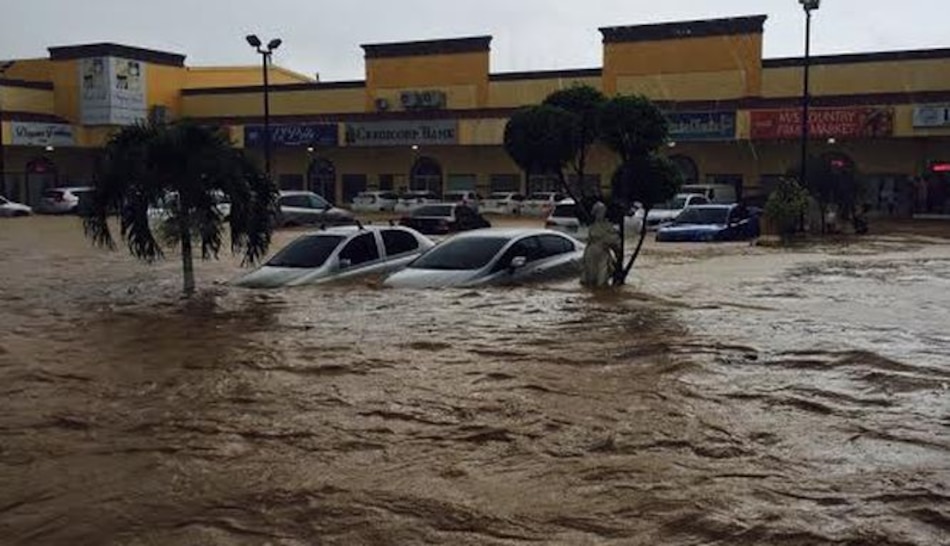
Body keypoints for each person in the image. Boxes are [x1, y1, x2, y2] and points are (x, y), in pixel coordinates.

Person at [580, 201, 621, 288]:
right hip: (591, 254)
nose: (601, 214)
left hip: (601, 254)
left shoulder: (607, 226)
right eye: (599, 212)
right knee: (590, 277)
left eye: (602, 211)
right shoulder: (593, 226)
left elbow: (614, 242)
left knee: (601, 277)